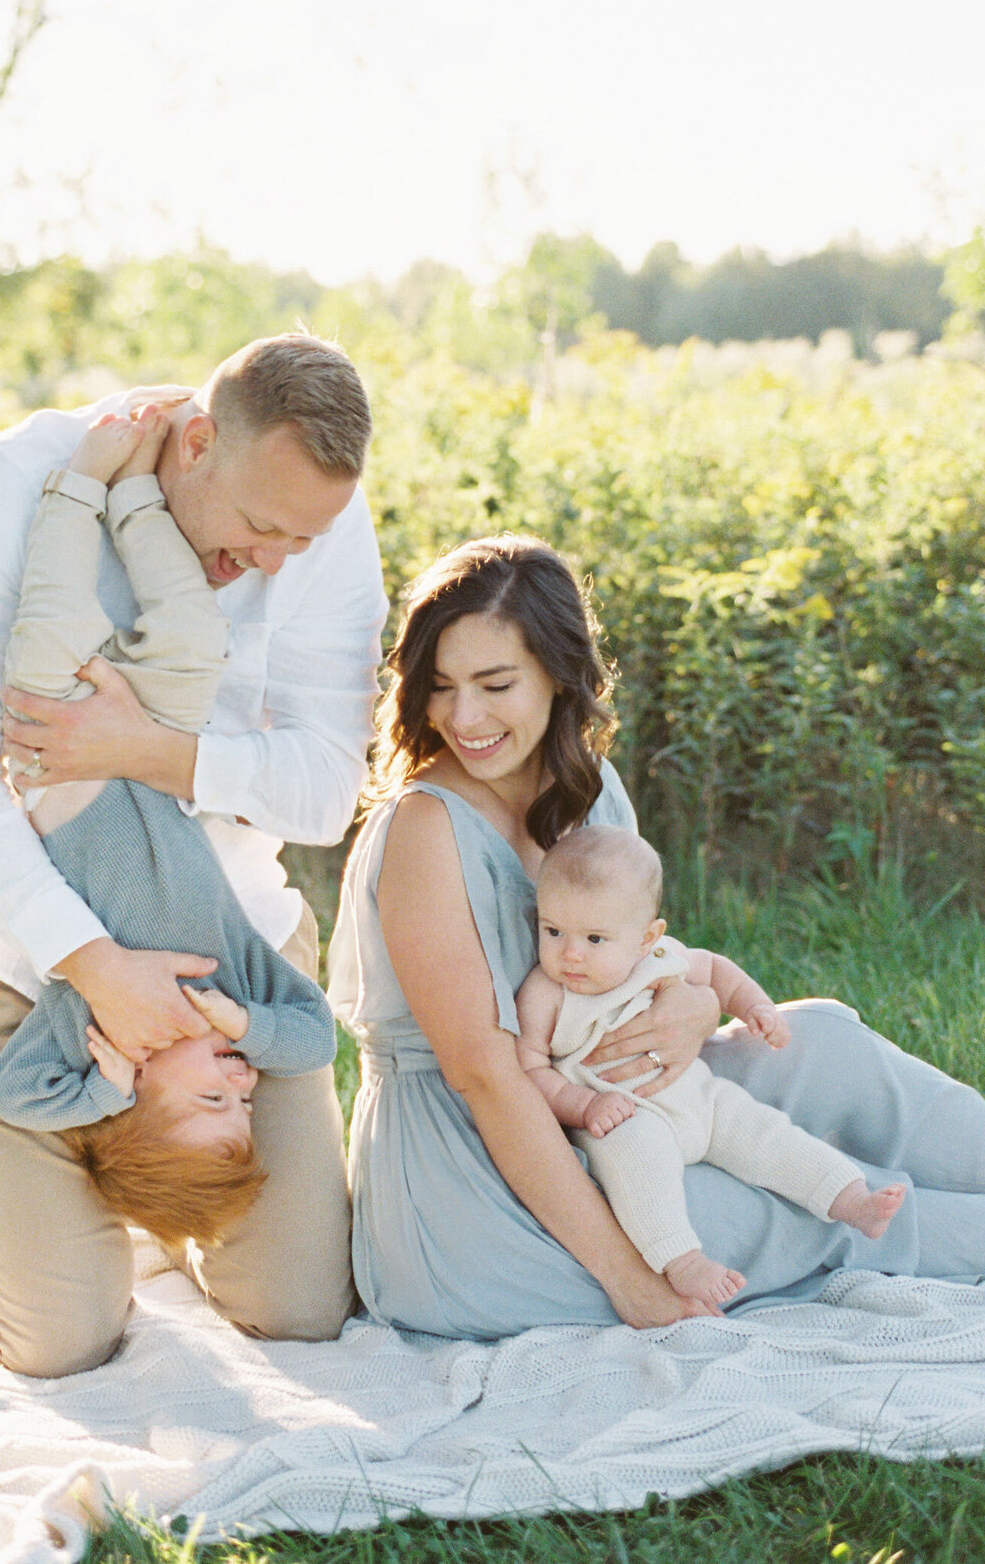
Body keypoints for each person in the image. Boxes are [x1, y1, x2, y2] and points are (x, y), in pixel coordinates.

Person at [327, 533, 985, 1339]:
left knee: (823, 1041)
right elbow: (489, 1080)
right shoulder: (426, 829)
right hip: (473, 1183)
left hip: (622, 1094)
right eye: (440, 686)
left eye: (495, 684)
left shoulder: (590, 789)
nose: (464, 717)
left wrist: (693, 1002)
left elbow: (641, 952)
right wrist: (630, 1277)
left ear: (559, 676)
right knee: (800, 1207)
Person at [0, 333, 388, 1375]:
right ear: (199, 439)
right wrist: (91, 966)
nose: (274, 561)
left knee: (299, 1308)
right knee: (61, 1342)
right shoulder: (3, 491)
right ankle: (41, 1237)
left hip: (234, 959)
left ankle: (161, 1210)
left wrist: (148, 752)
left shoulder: (318, 526)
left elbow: (324, 792)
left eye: (300, 539)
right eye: (259, 526)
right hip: (26, 970)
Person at [0, 408, 337, 1256]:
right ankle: (139, 496)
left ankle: (80, 487)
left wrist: (104, 1086)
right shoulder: (235, 992)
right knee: (192, 632)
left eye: (212, 1101)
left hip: (61, 772)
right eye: (244, 1104)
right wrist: (239, 1022)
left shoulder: (104, 1027)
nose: (241, 1084)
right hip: (147, 755)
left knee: (53, 628)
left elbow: (20, 1095)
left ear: (141, 1087)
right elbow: (314, 1035)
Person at [516, 826, 905, 1315]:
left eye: (594, 938)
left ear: (646, 937)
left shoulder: (660, 959)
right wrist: (585, 1105)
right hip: (623, 1118)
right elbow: (529, 1067)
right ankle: (681, 1260)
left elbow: (717, 970)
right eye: (553, 931)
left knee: (765, 1133)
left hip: (698, 1099)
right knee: (639, 1167)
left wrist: (755, 1006)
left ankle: (849, 1198)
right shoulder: (547, 993)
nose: (570, 953)